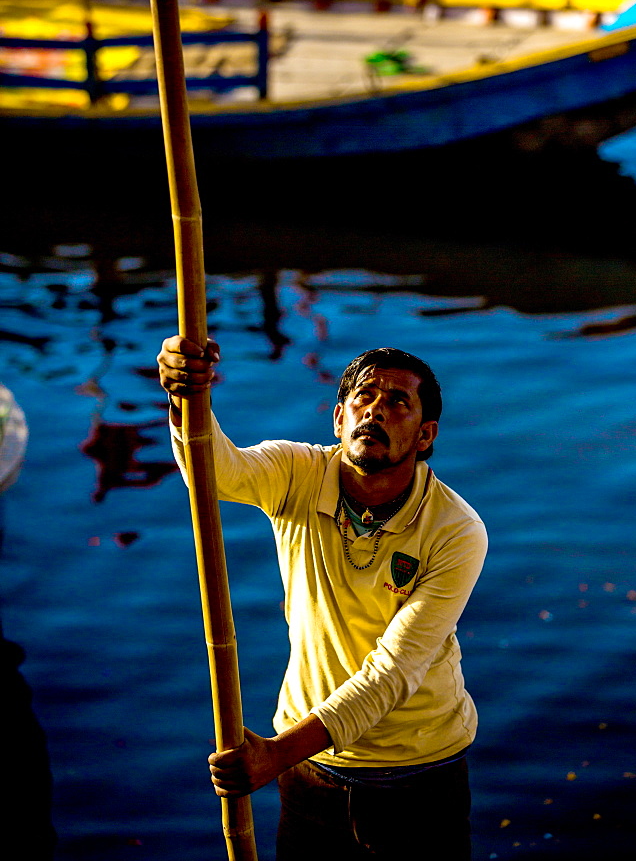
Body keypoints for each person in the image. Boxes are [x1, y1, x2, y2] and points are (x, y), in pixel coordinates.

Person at [157, 338, 487, 860]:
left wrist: (273, 756)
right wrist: (183, 396)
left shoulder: (456, 530)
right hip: (312, 772)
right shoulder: (296, 473)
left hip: (419, 774)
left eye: (398, 401)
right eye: (364, 396)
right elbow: (215, 472)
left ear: (425, 436)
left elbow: (395, 671)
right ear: (339, 418)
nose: (376, 408)